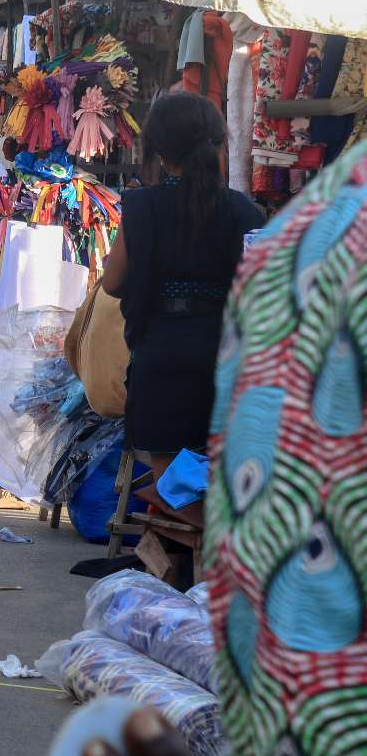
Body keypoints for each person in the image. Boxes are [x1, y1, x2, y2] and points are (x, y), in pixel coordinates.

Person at [62, 138, 367, 756]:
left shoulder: (319, 231)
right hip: (213, 357)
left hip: (171, 358)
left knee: (195, 486)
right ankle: (165, 550)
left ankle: (160, 550)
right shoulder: (256, 217)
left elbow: (113, 282)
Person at [101, 93, 263, 534]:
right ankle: (217, 560)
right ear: (216, 142)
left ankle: (184, 561)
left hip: (163, 356)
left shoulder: (141, 207)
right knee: (224, 473)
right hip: (226, 360)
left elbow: (112, 284)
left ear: (158, 148)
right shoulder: (244, 211)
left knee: (171, 483)